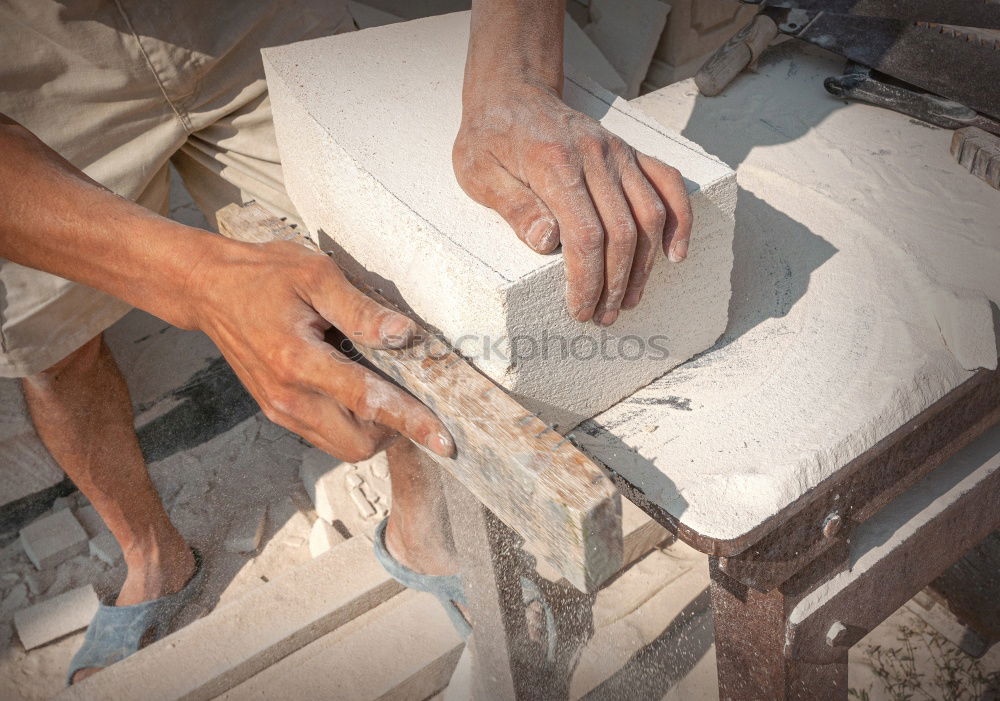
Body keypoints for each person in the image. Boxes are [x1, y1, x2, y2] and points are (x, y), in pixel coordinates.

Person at [0, 0, 692, 684]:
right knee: (56, 349)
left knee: (378, 258)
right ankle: (153, 558)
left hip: (242, 17)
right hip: (31, 67)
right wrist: (199, 282)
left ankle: (423, 534)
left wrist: (514, 77)